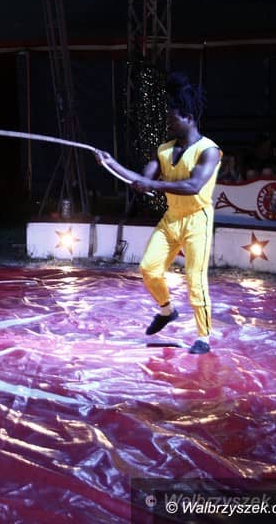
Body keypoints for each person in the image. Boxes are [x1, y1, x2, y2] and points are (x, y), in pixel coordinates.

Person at [96, 72, 221, 354]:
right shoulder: (163, 150)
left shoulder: (209, 150)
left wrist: (152, 185)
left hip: (197, 220)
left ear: (188, 117)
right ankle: (167, 311)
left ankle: (203, 337)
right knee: (149, 269)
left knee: (195, 279)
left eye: (172, 119)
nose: (168, 123)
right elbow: (142, 180)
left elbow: (193, 186)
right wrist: (110, 163)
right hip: (171, 218)